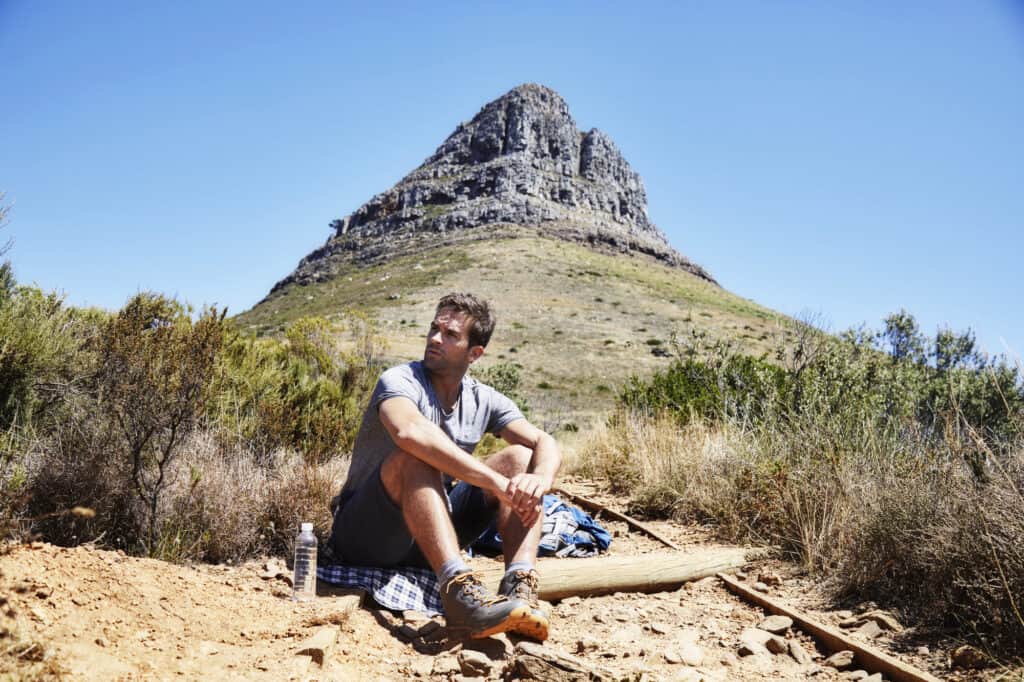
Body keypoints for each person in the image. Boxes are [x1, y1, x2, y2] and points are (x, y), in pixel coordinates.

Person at [327, 292, 562, 640]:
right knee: (415, 455)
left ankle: (520, 587)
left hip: (429, 535)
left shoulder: (483, 398)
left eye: (451, 334)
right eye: (435, 328)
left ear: (475, 353)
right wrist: (494, 482)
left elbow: (545, 442)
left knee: (521, 459)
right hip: (366, 536)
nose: (435, 338)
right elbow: (409, 431)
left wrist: (539, 480)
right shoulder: (400, 380)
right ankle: (457, 593)